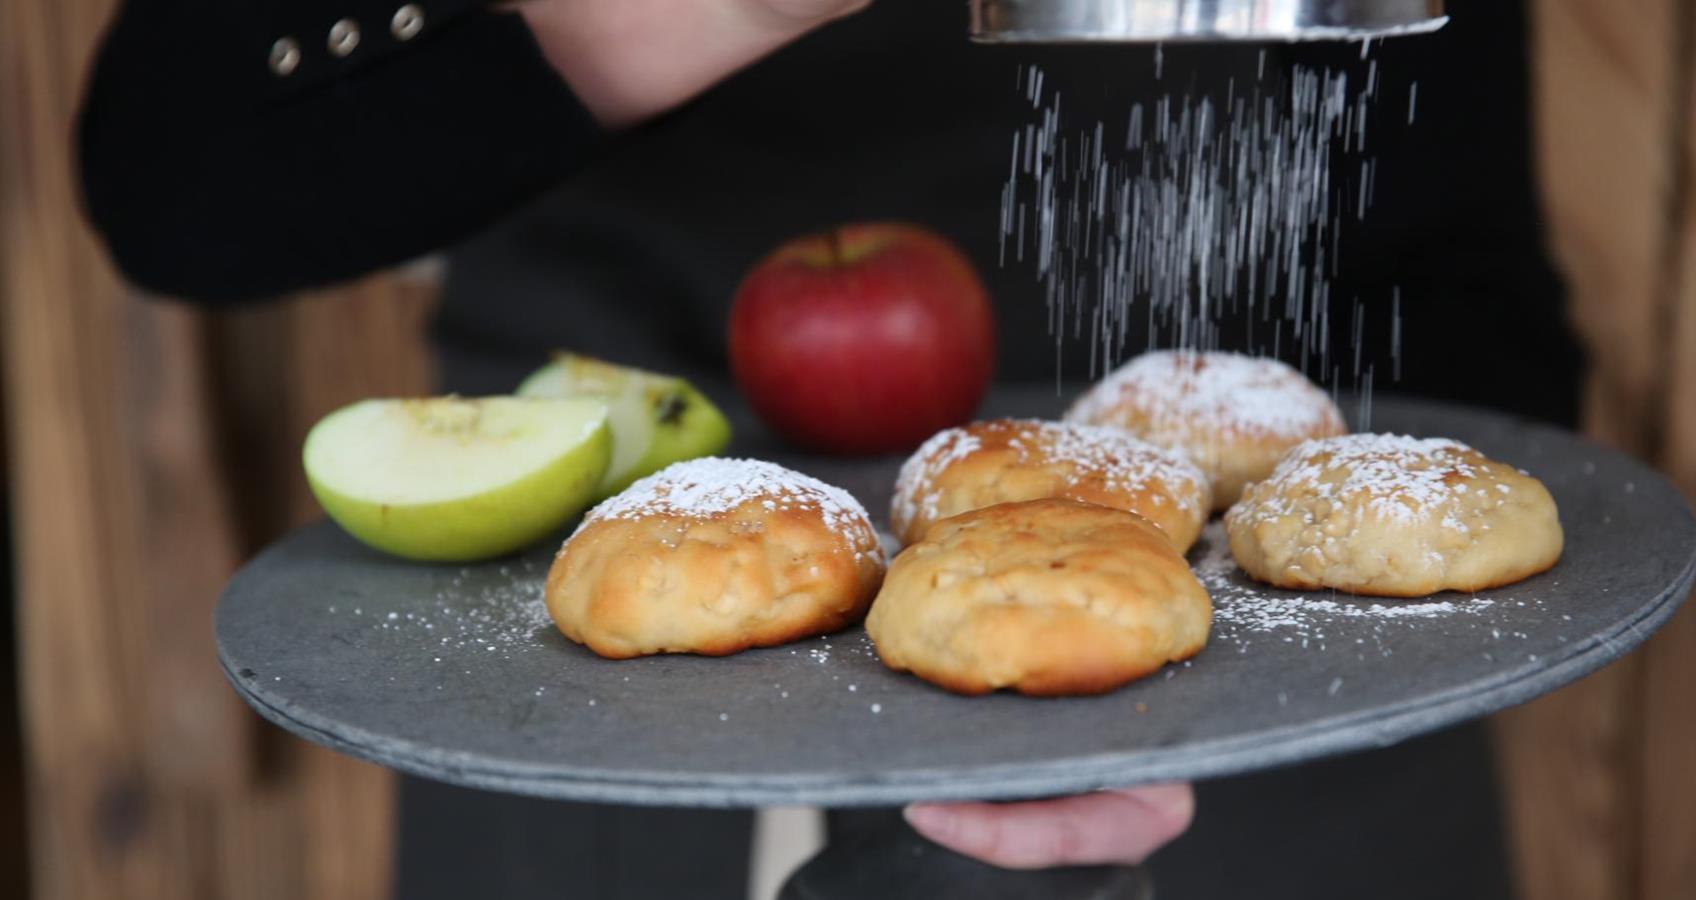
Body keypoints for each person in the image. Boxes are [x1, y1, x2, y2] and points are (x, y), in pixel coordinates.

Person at [78, 0, 1580, 896]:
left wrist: (1375, 618)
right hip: (590, 653)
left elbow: (1450, 242)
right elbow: (171, 169)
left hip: (1255, 709)